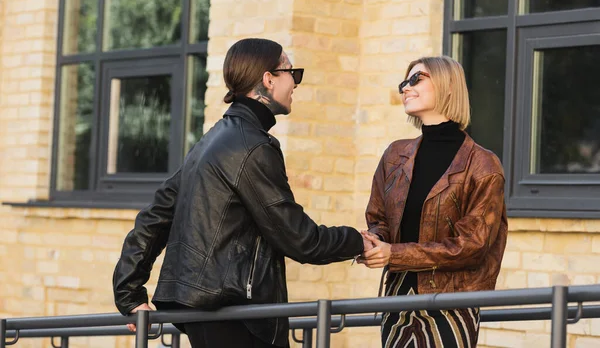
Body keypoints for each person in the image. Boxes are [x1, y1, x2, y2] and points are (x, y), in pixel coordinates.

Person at [113, 38, 371, 348]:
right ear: (268, 78)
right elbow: (299, 239)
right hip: (233, 313)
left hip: (207, 310)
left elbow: (155, 216)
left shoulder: (212, 142)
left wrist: (129, 292)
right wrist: (357, 241)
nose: (296, 83)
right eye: (291, 72)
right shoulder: (253, 147)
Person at [359, 55, 508, 347]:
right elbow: (379, 219)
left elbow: (472, 246)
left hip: (453, 302)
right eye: (405, 81)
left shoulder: (482, 164)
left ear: (448, 85)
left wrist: (395, 254)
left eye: (418, 78)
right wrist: (372, 242)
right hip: (398, 296)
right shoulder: (395, 155)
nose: (406, 87)